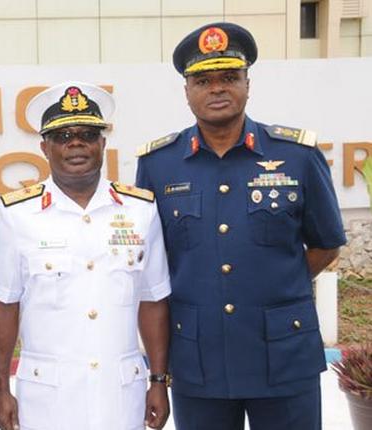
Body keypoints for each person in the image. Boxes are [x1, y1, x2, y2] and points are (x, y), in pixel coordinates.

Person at [135, 22, 346, 430]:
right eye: (203, 80)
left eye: (229, 77)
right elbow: (153, 261)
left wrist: (276, 283)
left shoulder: (297, 156)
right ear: (187, 92)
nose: (217, 89)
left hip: (284, 356)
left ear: (248, 84)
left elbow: (326, 244)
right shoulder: (159, 165)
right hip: (200, 360)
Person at [0, 82, 172, 430]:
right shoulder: (16, 214)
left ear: (103, 144)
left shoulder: (140, 210)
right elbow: (4, 305)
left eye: (87, 134)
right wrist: (1, 389)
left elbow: (153, 300)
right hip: (48, 401)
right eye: (62, 136)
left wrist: (159, 381)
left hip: (120, 397)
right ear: (44, 147)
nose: (76, 143)